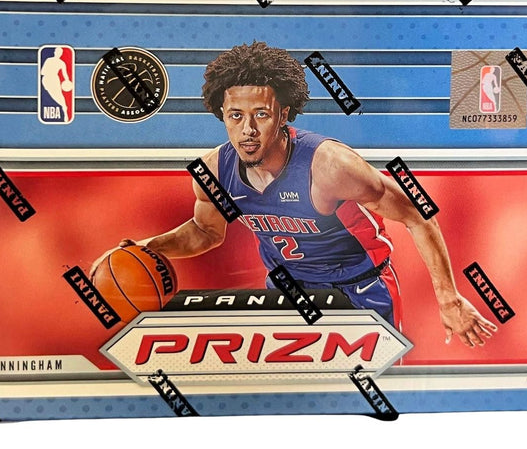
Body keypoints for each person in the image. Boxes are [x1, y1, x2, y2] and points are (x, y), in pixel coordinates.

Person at [93, 42, 497, 347]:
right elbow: (205, 231)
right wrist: (144, 248)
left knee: (370, 389)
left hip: (360, 288)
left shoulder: (330, 165)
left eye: (261, 114)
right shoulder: (213, 170)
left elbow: (416, 214)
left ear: (283, 114)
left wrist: (448, 298)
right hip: (287, 288)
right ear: (222, 116)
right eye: (236, 116)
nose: (248, 130)